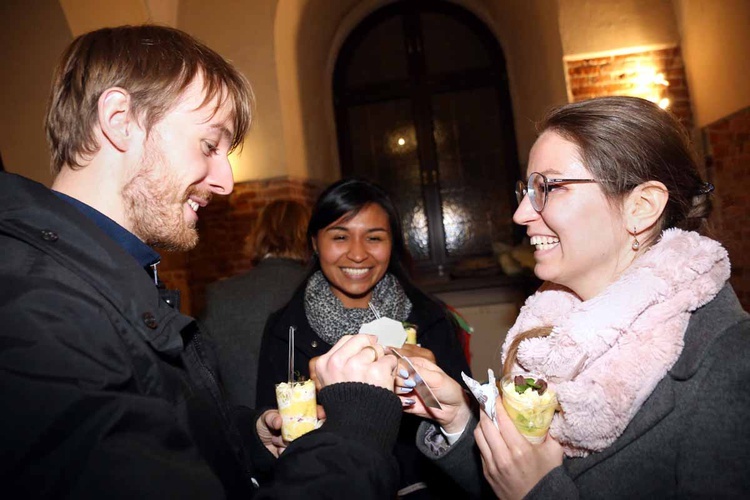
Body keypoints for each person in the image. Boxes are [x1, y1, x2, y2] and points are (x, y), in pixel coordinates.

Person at [0, 25, 406, 499]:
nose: (226, 181)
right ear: (119, 119)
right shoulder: (37, 313)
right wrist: (357, 423)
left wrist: (248, 438)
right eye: (210, 146)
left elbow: (153, 427)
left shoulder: (101, 275)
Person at [400, 96, 750, 498]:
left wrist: (538, 493)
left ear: (642, 206)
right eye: (527, 189)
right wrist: (458, 418)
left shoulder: (730, 361)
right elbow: (511, 478)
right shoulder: (552, 329)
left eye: (548, 187)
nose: (520, 215)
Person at [256, 177, 471, 498]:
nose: (357, 254)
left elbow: (470, 428)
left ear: (392, 244)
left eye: (374, 238)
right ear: (315, 242)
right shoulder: (286, 329)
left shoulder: (431, 319)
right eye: (340, 237)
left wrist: (433, 385)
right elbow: (269, 425)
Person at [200, 199, 311, 408]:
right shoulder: (321, 289)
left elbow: (205, 377)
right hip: (315, 428)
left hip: (243, 429)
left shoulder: (220, 294)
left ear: (258, 233)